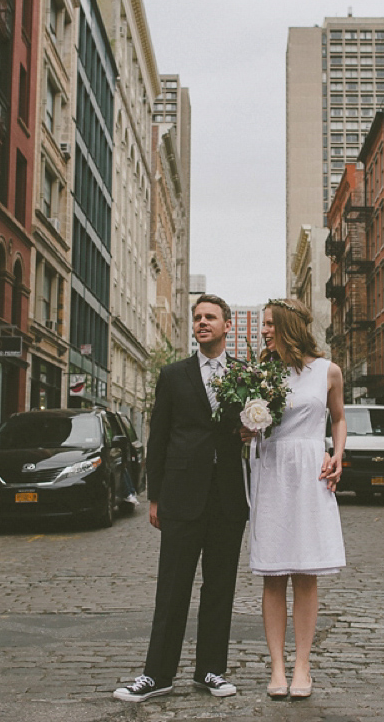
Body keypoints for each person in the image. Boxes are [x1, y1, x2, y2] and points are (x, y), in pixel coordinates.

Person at [115, 294, 248, 703]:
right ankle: (157, 675)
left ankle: (210, 670)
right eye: (197, 317)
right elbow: (159, 439)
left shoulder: (246, 375)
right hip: (181, 497)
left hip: (227, 498)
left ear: (228, 326)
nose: (202, 322)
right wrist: (154, 497)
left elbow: (259, 430)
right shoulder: (173, 375)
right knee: (172, 587)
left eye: (210, 317)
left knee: (220, 586)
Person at [248, 298, 346, 700]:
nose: (264, 330)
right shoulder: (259, 372)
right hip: (271, 469)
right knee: (273, 574)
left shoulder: (328, 371)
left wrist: (338, 454)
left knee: (305, 574)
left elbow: (338, 418)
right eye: (262, 325)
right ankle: (276, 667)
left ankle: (302, 665)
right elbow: (247, 422)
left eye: (270, 324)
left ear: (289, 326)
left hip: (309, 469)